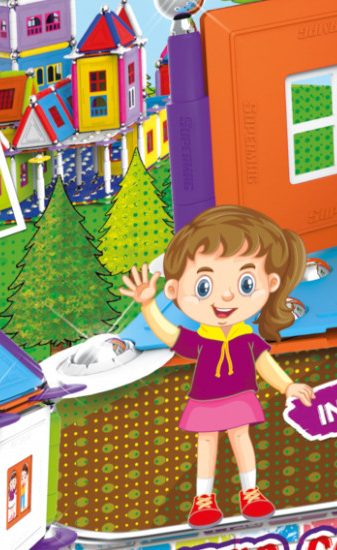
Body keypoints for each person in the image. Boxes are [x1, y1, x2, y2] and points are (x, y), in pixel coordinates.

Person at [121, 204, 315, 527]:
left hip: (239, 396)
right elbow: (167, 333)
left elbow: (264, 363)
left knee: (241, 438)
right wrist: (148, 305)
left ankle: (250, 492)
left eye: (245, 284)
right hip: (205, 400)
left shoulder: (246, 338)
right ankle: (203, 499)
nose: (225, 297)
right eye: (204, 287)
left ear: (271, 282)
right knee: (207, 442)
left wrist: (288, 385)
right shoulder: (202, 340)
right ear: (174, 290)